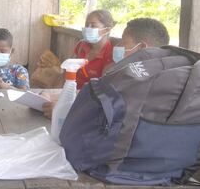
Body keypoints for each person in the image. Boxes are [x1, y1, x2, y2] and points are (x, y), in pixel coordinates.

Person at [42, 17, 170, 119]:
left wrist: (65, 113)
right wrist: (59, 98)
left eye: (123, 42)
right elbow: (97, 96)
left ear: (141, 47)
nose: (118, 46)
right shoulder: (133, 74)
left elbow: (107, 120)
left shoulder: (141, 85)